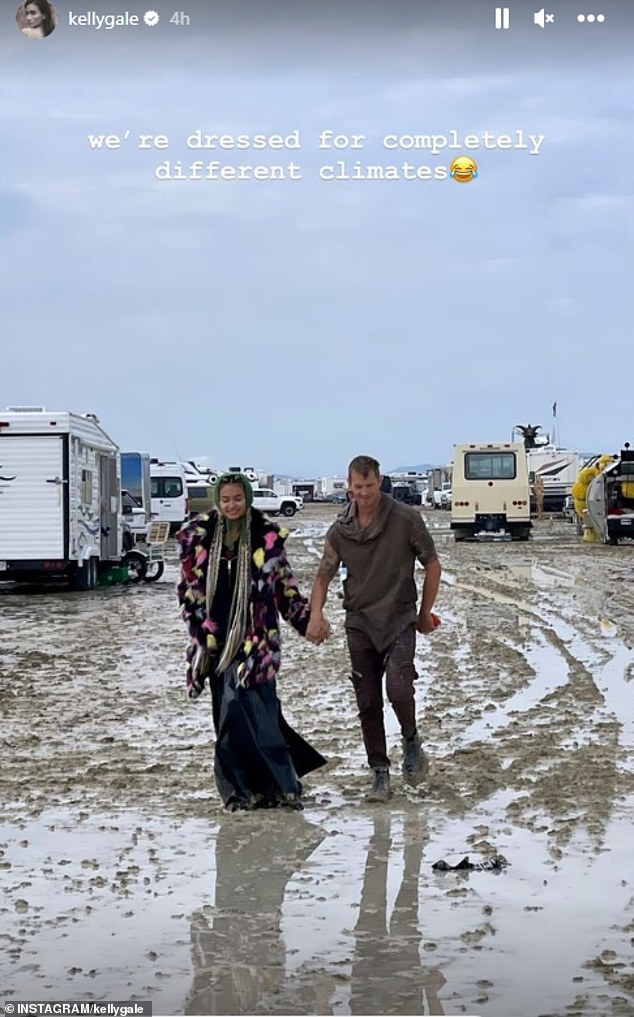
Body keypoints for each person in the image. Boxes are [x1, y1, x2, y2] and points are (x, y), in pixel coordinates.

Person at [177, 471, 328, 813]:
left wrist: (309, 623)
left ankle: (283, 788)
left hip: (256, 642)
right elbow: (186, 591)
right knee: (228, 716)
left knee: (261, 714)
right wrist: (198, 628)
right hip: (216, 644)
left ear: (248, 499)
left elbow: (285, 590)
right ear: (218, 500)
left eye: (238, 499)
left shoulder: (265, 539)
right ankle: (239, 792)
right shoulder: (199, 540)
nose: (232, 506)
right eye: (226, 499)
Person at [307, 455, 441, 802]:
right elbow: (324, 574)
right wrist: (316, 615)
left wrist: (425, 613)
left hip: (398, 618)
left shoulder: (406, 519)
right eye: (357, 487)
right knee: (367, 701)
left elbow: (432, 564)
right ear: (349, 486)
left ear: (379, 481)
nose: (364, 493)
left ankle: (411, 740)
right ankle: (379, 772)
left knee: (398, 690)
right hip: (360, 622)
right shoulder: (341, 530)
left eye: (369, 485)